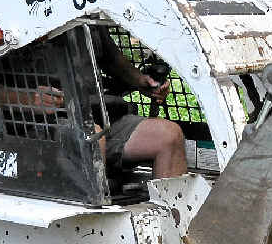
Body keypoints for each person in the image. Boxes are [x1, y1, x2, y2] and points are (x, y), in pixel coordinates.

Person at [23, 37, 187, 179]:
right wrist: (27, 99)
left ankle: (170, 212)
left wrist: (142, 81)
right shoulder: (11, 22)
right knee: (92, 137)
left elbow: (113, 59)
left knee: (169, 135)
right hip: (42, 122)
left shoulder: (83, 11)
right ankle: (92, 212)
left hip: (98, 113)